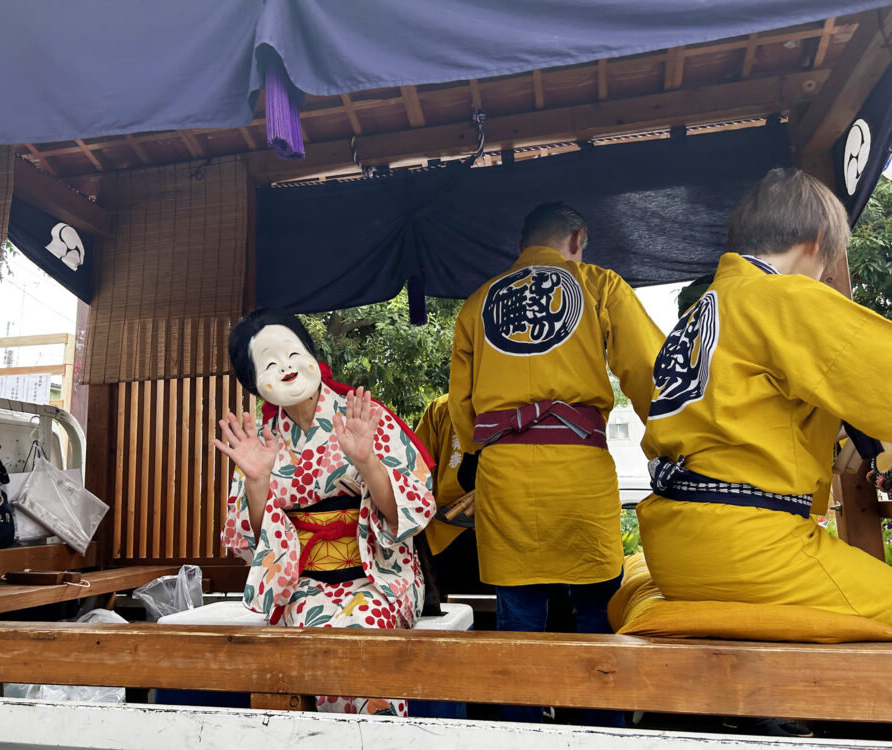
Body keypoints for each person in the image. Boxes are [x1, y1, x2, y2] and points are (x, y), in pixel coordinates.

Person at [638, 167, 892, 626]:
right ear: (817, 240)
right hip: (750, 547)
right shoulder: (783, 297)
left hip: (678, 544)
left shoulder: (704, 311)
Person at [449, 202, 665, 722]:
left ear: (521, 246)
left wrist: (483, 451)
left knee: (519, 620)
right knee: (596, 615)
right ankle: (602, 729)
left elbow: (461, 407)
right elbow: (648, 370)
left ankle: (522, 730)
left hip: (505, 475)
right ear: (577, 238)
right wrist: (669, 444)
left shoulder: (478, 303)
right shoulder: (598, 285)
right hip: (578, 472)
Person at [216, 308, 436, 716]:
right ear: (253, 382)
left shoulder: (363, 415)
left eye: (292, 353)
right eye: (269, 363)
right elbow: (254, 547)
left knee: (360, 632)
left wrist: (368, 463)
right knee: (304, 646)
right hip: (304, 586)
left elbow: (411, 512)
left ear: (311, 354)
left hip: (379, 577)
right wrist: (257, 482)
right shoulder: (261, 442)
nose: (285, 367)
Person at [413, 394, 482, 595]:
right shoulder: (441, 408)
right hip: (444, 531)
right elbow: (417, 472)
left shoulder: (517, 406)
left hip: (504, 531)